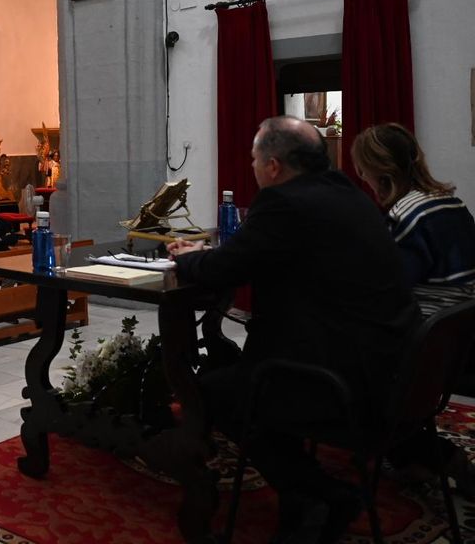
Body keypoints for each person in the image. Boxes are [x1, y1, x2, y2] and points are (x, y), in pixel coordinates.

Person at [167, 116, 420, 541]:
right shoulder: (348, 194)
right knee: (234, 372)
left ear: (273, 166)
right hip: (395, 367)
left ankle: (319, 494)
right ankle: (304, 486)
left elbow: (225, 268)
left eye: (253, 158)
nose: (251, 166)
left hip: (338, 381)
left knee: (207, 392)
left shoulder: (283, 203)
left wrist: (188, 257)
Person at [350, 123, 475, 316]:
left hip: (428, 326)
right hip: (462, 324)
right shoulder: (451, 202)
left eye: (364, 170)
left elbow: (390, 289)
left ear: (383, 173)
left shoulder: (405, 215)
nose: (364, 177)